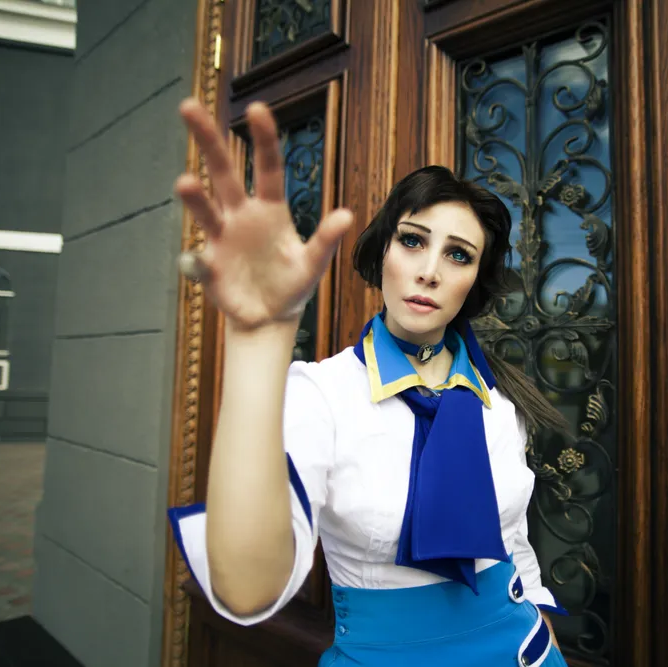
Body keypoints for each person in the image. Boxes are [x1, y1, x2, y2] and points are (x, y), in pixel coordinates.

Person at [167, 97, 571, 667]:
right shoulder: (322, 395)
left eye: (458, 255)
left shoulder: (498, 401)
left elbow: (513, 542)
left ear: (475, 281)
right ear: (383, 250)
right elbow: (247, 589)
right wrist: (259, 340)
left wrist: (544, 634)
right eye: (413, 240)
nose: (429, 270)